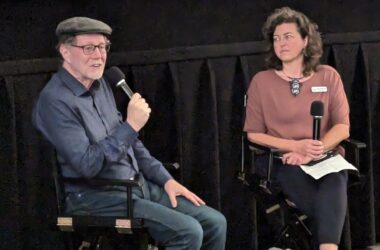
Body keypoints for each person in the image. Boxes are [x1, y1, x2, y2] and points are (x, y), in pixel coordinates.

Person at [33, 16, 226, 250]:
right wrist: (131, 125)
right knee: (188, 232)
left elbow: (131, 144)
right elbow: (87, 165)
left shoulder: (101, 84)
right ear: (65, 51)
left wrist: (165, 179)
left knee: (215, 222)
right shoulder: (55, 100)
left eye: (103, 47)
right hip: (95, 197)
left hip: (136, 187)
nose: (99, 55)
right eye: (89, 48)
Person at [244, 7, 350, 250]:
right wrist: (295, 147)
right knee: (327, 206)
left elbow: (342, 127)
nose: (281, 43)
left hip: (322, 157)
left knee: (335, 177)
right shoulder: (262, 81)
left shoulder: (328, 76)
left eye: (288, 36)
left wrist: (314, 149)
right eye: (276, 38)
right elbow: (253, 134)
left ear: (305, 40)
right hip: (281, 160)